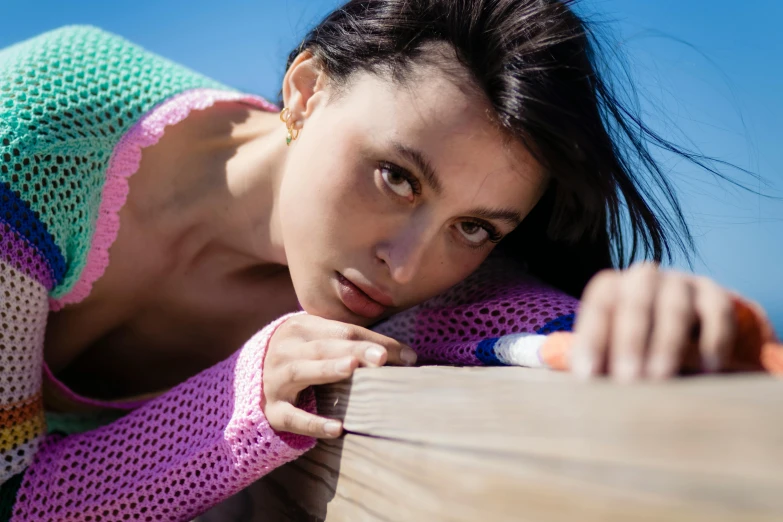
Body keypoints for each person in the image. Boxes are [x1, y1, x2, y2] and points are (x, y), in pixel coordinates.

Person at [0, 0, 777, 520]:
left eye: (474, 227)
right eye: (396, 177)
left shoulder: (417, 280)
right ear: (305, 91)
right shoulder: (35, 136)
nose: (406, 265)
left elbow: (526, 329)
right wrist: (233, 404)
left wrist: (658, 320)